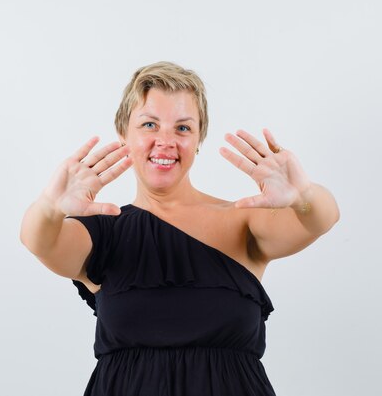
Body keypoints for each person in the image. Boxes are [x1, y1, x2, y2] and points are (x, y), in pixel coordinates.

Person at [19, 61, 340, 396]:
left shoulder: (241, 220)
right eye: (149, 124)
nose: (166, 141)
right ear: (123, 135)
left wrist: (303, 195)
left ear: (199, 138)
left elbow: (322, 218)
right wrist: (49, 207)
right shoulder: (103, 233)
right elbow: (38, 240)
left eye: (183, 128)